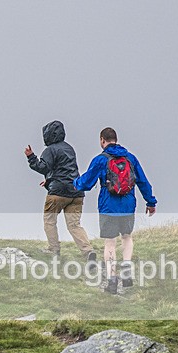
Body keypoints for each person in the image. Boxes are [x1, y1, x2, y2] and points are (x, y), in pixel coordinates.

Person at [73, 127, 157, 294]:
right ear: (116, 139)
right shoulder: (131, 158)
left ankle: (112, 280)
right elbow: (143, 182)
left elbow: (86, 183)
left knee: (110, 242)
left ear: (102, 140)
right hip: (127, 206)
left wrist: (75, 183)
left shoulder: (100, 160)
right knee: (127, 237)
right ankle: (126, 269)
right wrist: (150, 201)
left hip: (108, 207)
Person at [24, 120, 96, 266]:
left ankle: (53, 249)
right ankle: (88, 251)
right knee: (74, 225)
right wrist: (50, 180)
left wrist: (31, 157)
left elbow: (43, 167)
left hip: (58, 193)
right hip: (76, 192)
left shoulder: (50, 150)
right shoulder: (69, 148)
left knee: (49, 220)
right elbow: (65, 170)